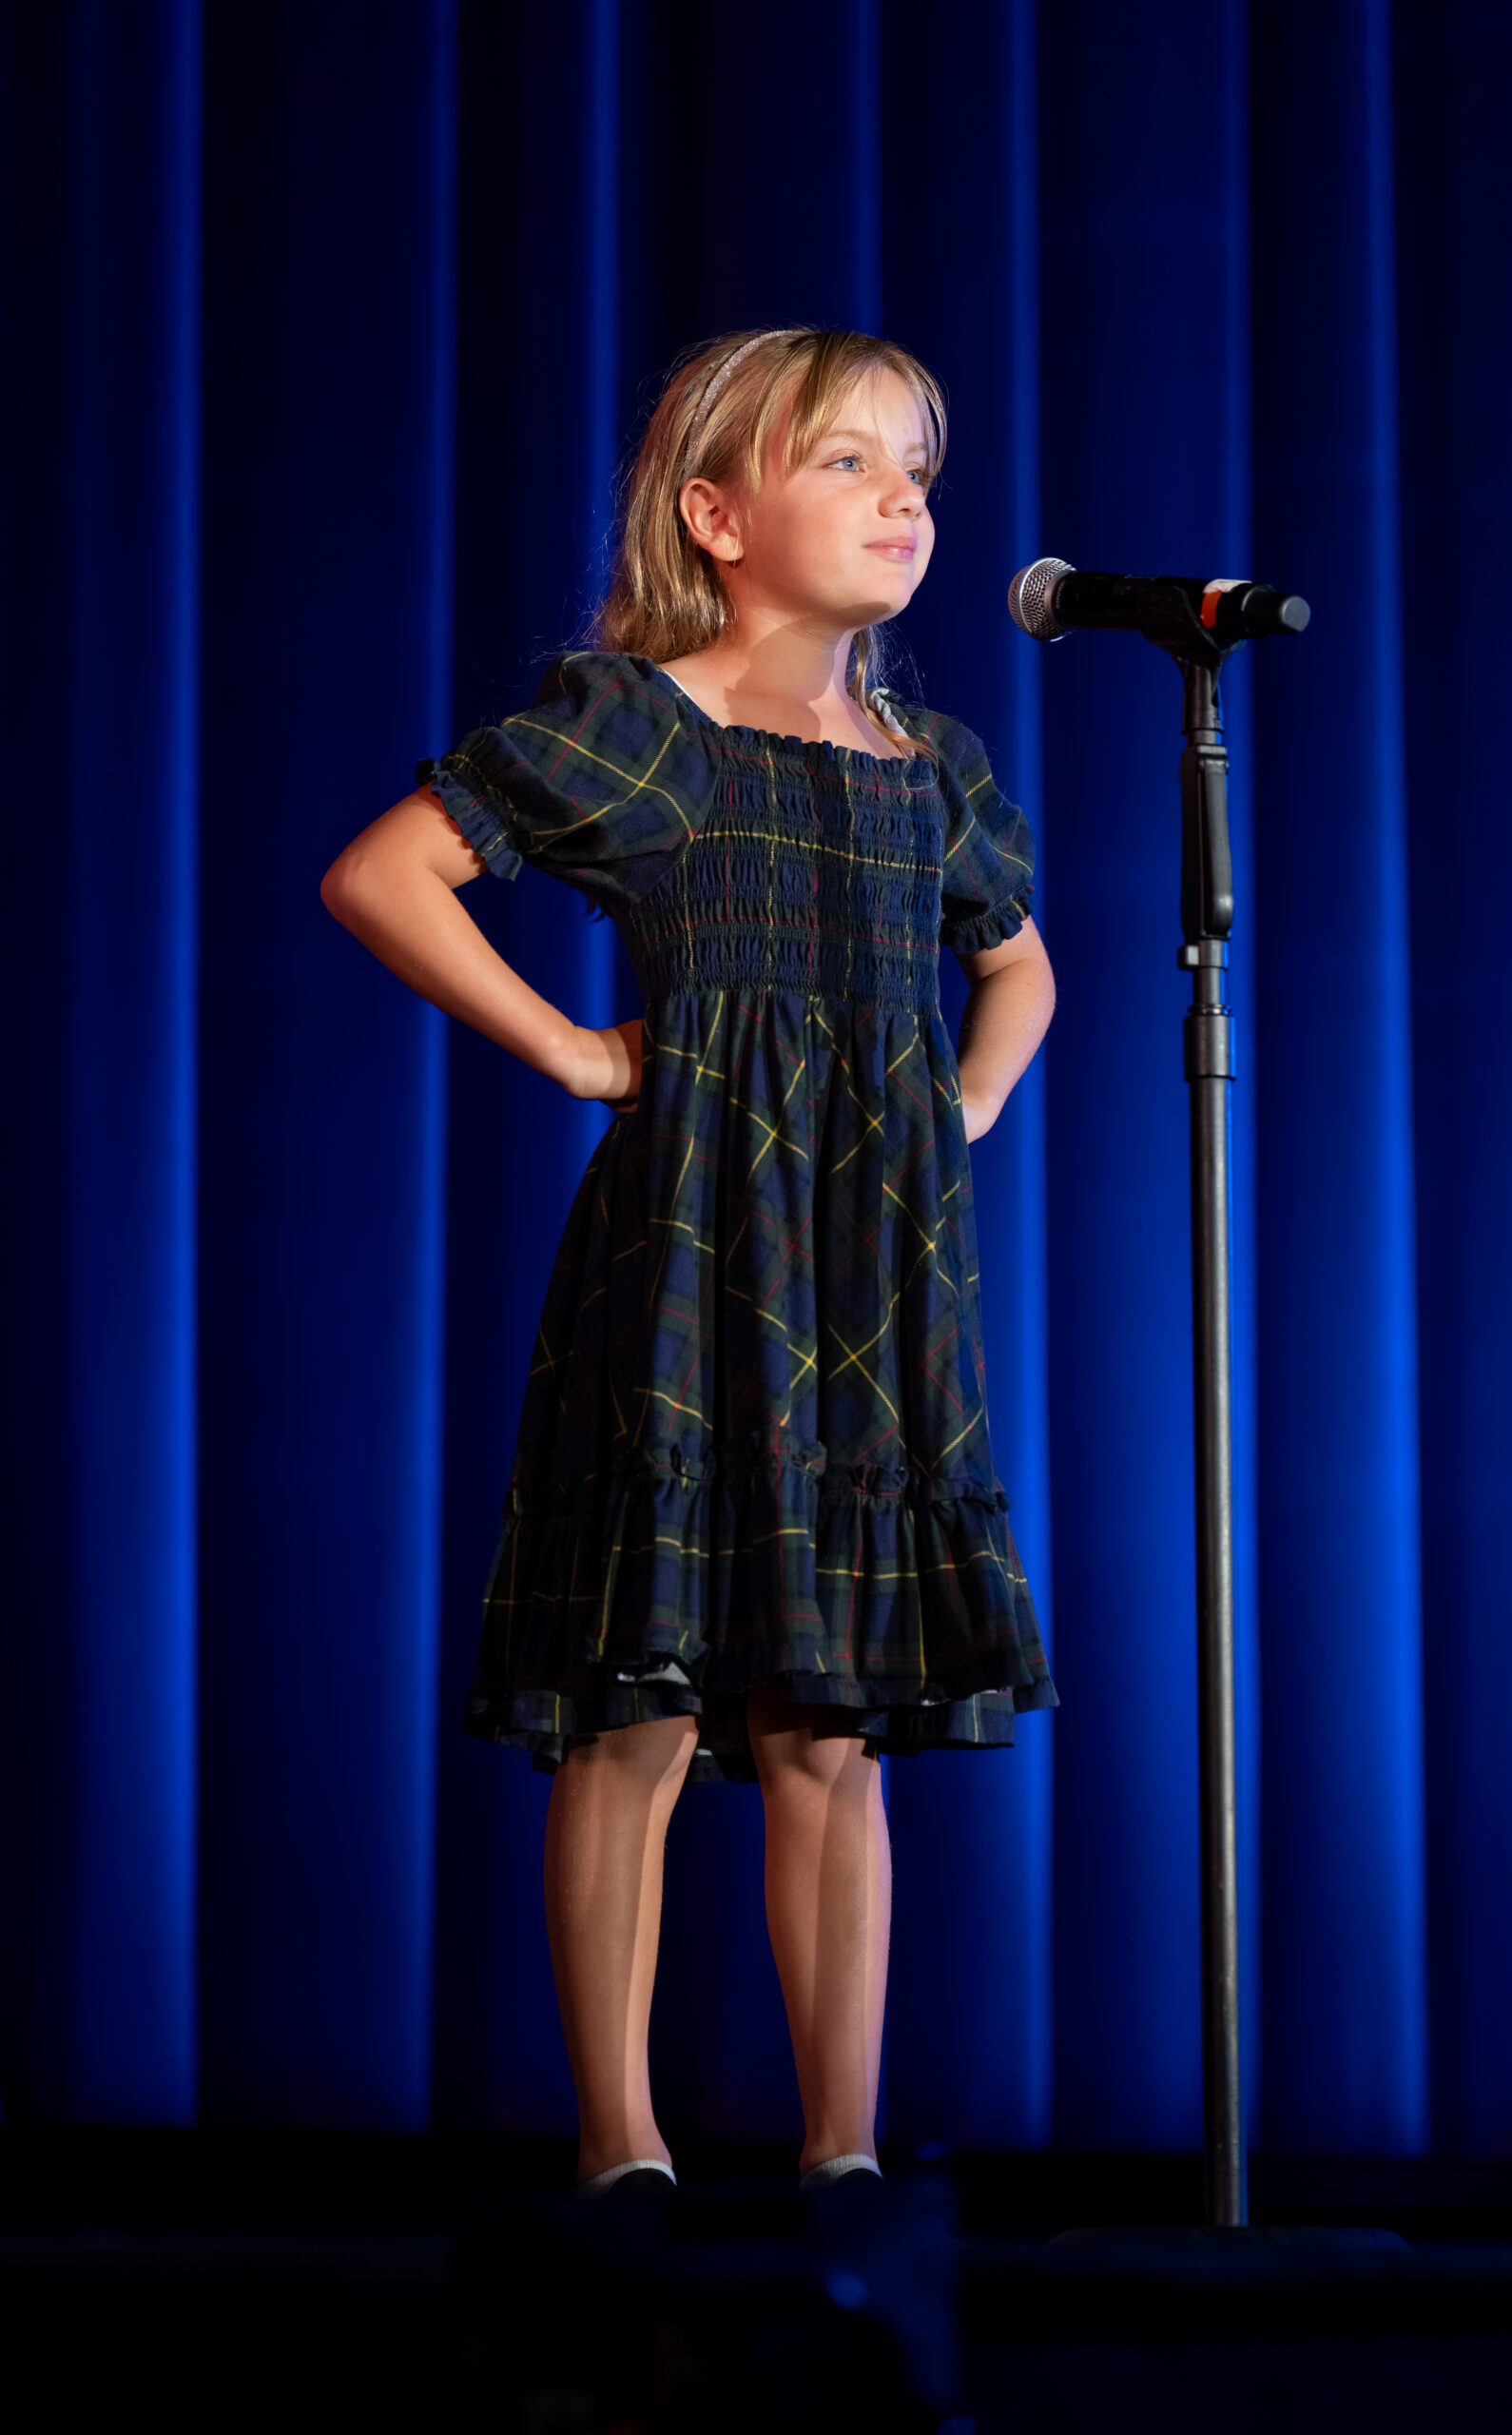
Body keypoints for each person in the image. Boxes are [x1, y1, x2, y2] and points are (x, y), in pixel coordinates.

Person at [320, 325, 1057, 2206]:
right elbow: (385, 872)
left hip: (871, 1276)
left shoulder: (931, 767)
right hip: (688, 1253)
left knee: (828, 1718)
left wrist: (963, 1102)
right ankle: (622, 2147)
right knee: (639, 1698)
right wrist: (580, 1055)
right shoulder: (643, 725)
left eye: (917, 470)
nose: (902, 500)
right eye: (847, 463)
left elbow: (1020, 962)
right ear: (718, 516)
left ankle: (842, 2152)